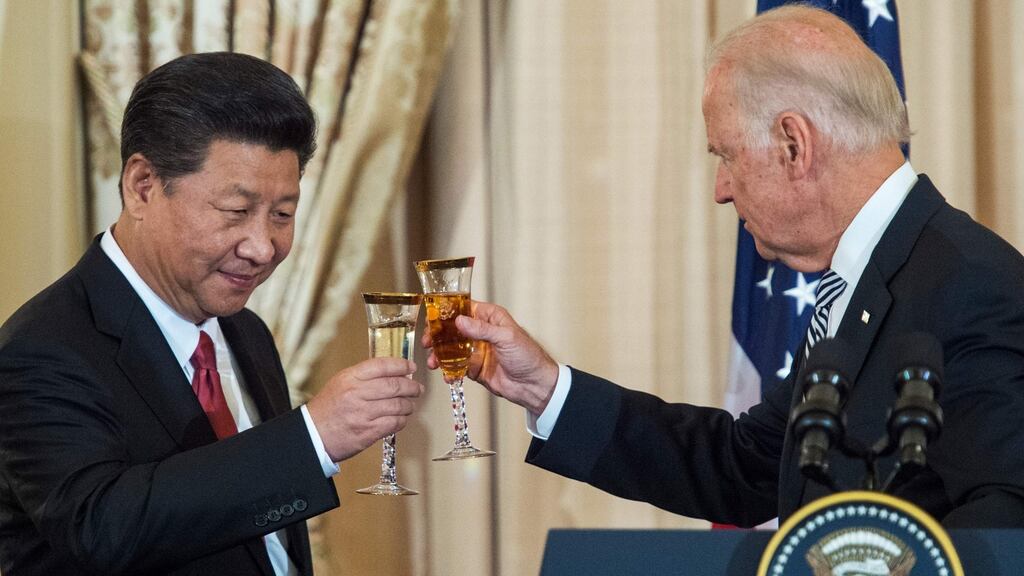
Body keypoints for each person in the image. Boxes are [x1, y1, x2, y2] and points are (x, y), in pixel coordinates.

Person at [425, 5, 1024, 528]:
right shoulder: (870, 272)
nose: (720, 189)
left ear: (794, 145)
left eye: (727, 155)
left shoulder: (973, 286)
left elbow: (1001, 530)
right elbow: (747, 465)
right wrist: (546, 388)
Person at [0, 52, 422, 575]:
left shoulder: (246, 332)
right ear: (142, 186)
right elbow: (101, 526)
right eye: (236, 212)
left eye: (283, 214)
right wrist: (311, 437)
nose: (263, 247)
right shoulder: (43, 348)